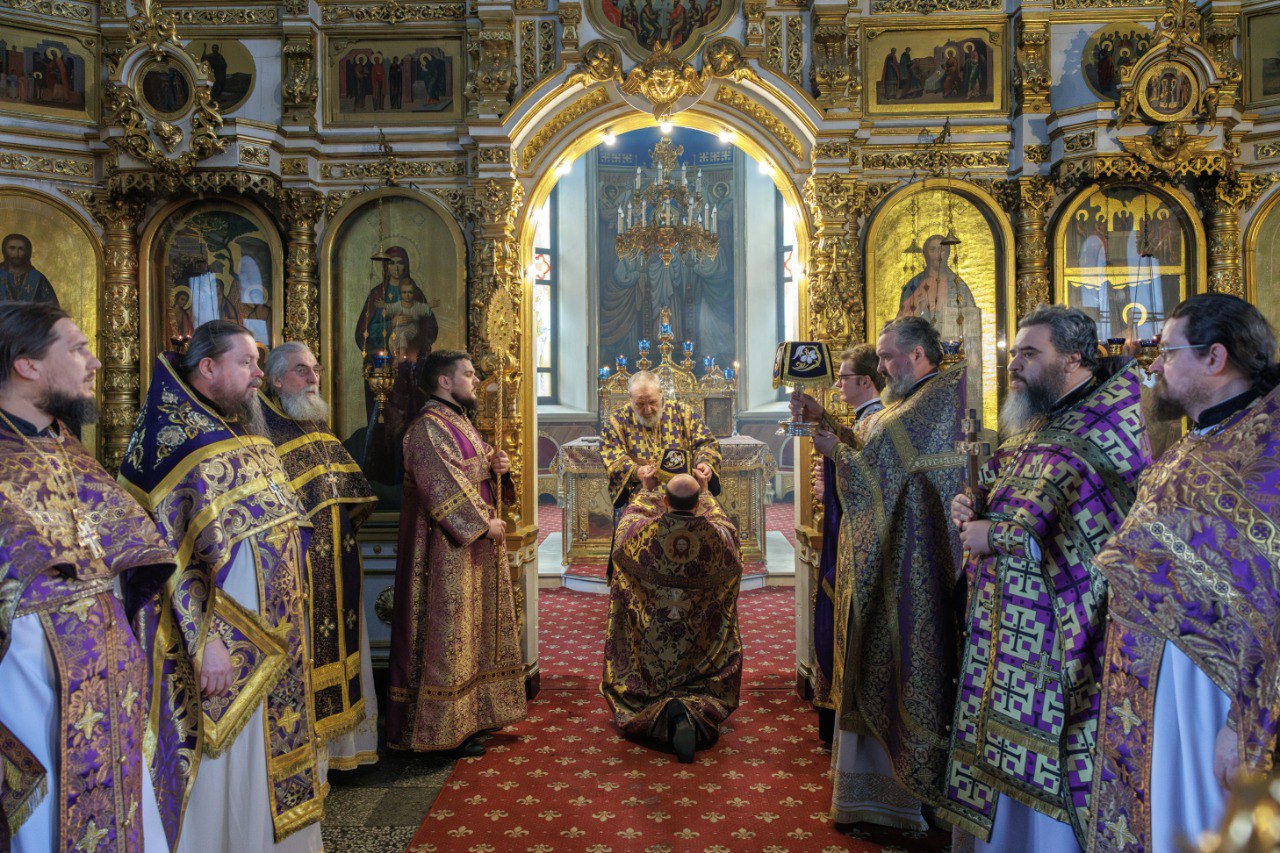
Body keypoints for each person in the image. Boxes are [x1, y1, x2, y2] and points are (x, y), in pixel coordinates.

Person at [939, 306, 1152, 850]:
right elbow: (1011, 490)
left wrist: (996, 535)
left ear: (1073, 358)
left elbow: (1099, 533)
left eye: (1029, 353)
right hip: (1006, 630)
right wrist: (972, 503)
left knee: (1049, 761)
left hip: (1063, 637)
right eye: (1014, 353)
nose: (1014, 363)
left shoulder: (1111, 423)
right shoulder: (1042, 420)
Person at [120, 320, 323, 852]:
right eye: (247, 362)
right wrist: (204, 638)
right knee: (225, 765)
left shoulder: (241, 429)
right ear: (208, 367)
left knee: (263, 758)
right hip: (224, 646)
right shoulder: (173, 441)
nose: (259, 372)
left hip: (279, 635)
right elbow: (160, 559)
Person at [1087, 294, 1280, 852]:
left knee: (1203, 826)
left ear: (1215, 357)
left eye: (1168, 352)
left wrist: (1244, 723)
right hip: (1153, 686)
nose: (1155, 366)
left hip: (1211, 697)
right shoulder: (1203, 438)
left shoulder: (1265, 449)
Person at [0, 302, 173, 852]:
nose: (95, 362)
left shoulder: (63, 446)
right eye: (77, 349)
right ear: (27, 364)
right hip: (28, 682)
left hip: (106, 684)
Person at [809, 315, 966, 830]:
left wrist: (836, 453)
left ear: (917, 355)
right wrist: (832, 429)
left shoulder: (926, 403)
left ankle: (896, 801)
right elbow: (873, 450)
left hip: (909, 563)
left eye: (885, 357)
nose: (879, 368)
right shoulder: (914, 399)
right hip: (897, 552)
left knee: (898, 662)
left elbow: (871, 471)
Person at [385, 349, 527, 757]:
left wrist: (498, 465)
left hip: (469, 550)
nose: (475, 380)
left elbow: (477, 469)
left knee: (469, 632)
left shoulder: (459, 421)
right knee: (446, 634)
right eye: (468, 374)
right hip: (442, 551)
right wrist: (483, 525)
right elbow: (441, 487)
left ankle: (470, 719)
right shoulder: (428, 428)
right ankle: (440, 732)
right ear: (444, 381)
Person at [262, 341, 380, 772]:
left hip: (339, 564)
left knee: (344, 645)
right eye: (301, 370)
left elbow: (351, 491)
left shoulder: (317, 426)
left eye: (315, 369)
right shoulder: (263, 432)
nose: (313, 378)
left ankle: (345, 750)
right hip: (300, 572)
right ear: (277, 380)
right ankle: (314, 760)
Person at [600, 474, 743, 763]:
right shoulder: (718, 538)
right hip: (698, 646)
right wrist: (707, 493)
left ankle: (658, 705)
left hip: (653, 648)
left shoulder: (641, 535)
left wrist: (644, 489)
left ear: (665, 501)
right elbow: (728, 530)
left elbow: (626, 525)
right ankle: (692, 706)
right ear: (698, 503)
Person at [790, 343, 886, 745]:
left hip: (863, 540)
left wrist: (834, 470)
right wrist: (820, 418)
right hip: (849, 534)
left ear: (864, 380)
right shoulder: (868, 420)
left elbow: (876, 481)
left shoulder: (880, 421)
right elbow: (855, 450)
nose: (838, 385)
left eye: (843, 378)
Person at [599, 369, 721, 510]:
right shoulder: (617, 421)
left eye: (652, 402)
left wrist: (705, 463)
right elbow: (612, 456)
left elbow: (707, 443)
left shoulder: (683, 413)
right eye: (640, 404)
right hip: (640, 500)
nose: (648, 409)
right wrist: (636, 471)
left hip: (684, 500)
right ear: (630, 397)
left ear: (661, 393)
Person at [1, 233, 59, 305]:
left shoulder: (37, 278)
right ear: (4, 250)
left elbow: (52, 308)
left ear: (27, 252)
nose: (16, 253)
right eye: (12, 248)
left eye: (21, 249)